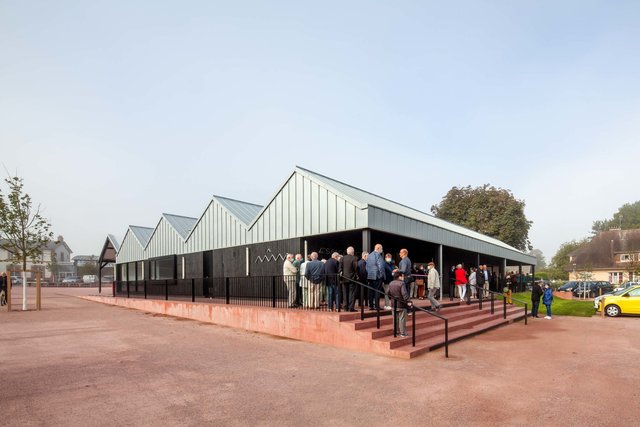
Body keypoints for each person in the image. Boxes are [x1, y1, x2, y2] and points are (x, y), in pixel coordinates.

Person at [386, 270, 412, 337]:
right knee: (402, 319)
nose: (403, 277)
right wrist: (408, 301)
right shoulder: (402, 283)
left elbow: (387, 293)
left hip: (393, 304)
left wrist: (391, 299)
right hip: (401, 304)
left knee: (395, 318)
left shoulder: (391, 283)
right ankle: (402, 333)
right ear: (399, 276)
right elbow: (404, 294)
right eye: (402, 276)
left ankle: (396, 331)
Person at [366, 244, 385, 310]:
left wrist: (369, 274)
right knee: (377, 291)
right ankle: (377, 306)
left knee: (371, 291)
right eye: (381, 248)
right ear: (378, 248)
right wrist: (381, 276)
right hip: (377, 276)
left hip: (370, 276)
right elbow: (381, 266)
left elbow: (367, 267)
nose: (382, 250)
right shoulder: (378, 255)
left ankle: (371, 306)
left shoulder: (370, 255)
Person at [340, 246, 358, 312]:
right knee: (352, 294)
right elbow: (356, 268)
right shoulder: (354, 258)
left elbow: (340, 269)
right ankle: (351, 308)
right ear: (353, 252)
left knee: (345, 293)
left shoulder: (342, 258)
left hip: (344, 279)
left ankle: (345, 307)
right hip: (352, 279)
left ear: (347, 252)